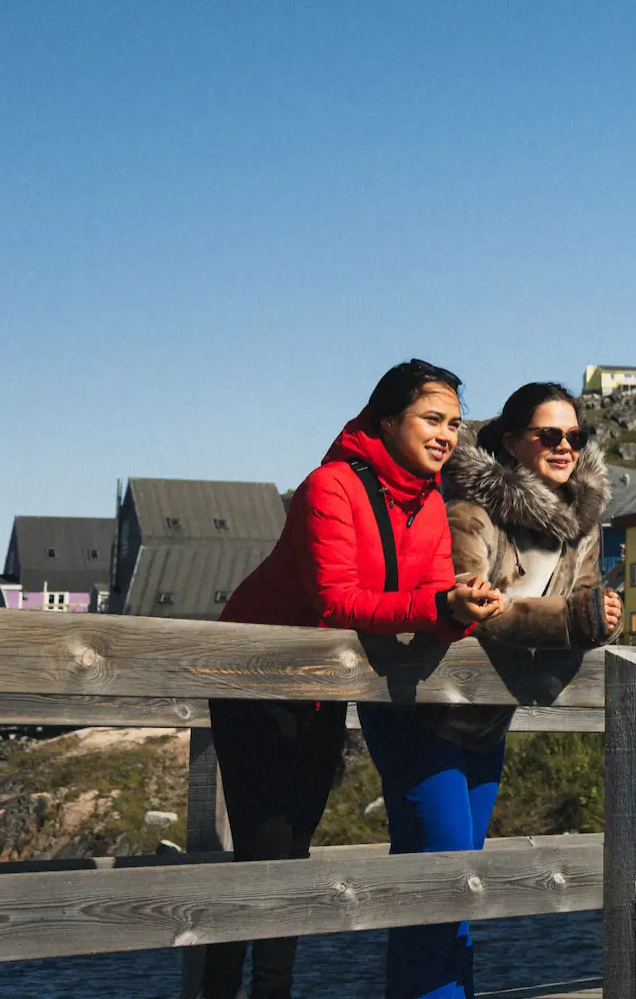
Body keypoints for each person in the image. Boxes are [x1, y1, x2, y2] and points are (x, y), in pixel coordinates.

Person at [200, 359, 503, 999]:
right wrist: (439, 605)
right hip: (257, 676)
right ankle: (226, 988)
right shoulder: (329, 486)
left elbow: (428, 603)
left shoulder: (430, 504)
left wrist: (460, 612)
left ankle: (269, 988)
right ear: (387, 420)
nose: (446, 435)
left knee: (297, 840)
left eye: (454, 424)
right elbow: (336, 600)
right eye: (431, 419)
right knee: (265, 843)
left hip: (327, 683)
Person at [372, 382, 622, 999]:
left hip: (487, 722)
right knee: (441, 876)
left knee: (464, 883)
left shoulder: (582, 523)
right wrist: (576, 618)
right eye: (549, 435)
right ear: (512, 442)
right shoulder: (471, 508)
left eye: (575, 436)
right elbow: (478, 603)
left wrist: (599, 615)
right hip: (424, 711)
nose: (565, 447)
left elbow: (582, 601)